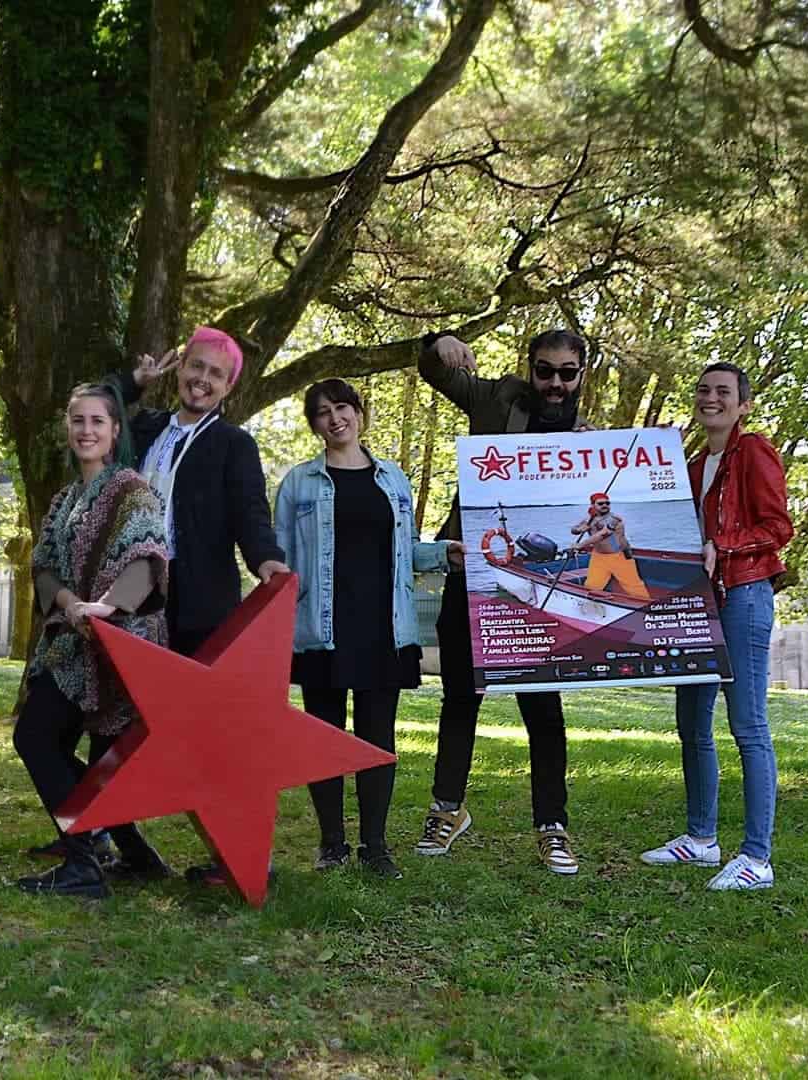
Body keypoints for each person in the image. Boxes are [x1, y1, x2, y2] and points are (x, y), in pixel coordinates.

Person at [105, 327, 289, 886]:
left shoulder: (233, 445)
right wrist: (129, 383)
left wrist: (268, 563)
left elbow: (250, 516)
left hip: (201, 602)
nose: (202, 379)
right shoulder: (144, 428)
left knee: (205, 733)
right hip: (134, 591)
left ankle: (232, 851)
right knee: (116, 717)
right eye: (196, 367)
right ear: (179, 368)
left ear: (227, 388)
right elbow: (90, 414)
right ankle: (121, 845)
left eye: (216, 374)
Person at [415, 328, 589, 875]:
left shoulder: (593, 439)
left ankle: (552, 826)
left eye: (566, 372)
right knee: (461, 699)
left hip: (541, 590)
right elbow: (436, 371)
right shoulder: (497, 399)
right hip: (475, 573)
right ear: (530, 368)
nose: (554, 383)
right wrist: (438, 341)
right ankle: (447, 809)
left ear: (581, 374)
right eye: (545, 370)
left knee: (543, 709)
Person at [276, 380, 460, 879]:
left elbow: (409, 551)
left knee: (377, 738)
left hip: (384, 629)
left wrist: (445, 553)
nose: (334, 419)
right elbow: (281, 562)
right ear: (313, 424)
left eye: (342, 408)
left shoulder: (394, 480)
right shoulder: (298, 484)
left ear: (359, 413)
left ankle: (375, 846)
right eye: (321, 413)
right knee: (323, 738)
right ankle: (332, 843)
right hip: (322, 628)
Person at [11, 383, 170, 899]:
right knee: (42, 738)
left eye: (97, 421)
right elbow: (44, 568)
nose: (86, 431)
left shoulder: (132, 490)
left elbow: (149, 557)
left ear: (115, 431)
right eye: (77, 420)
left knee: (49, 744)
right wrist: (67, 605)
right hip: (71, 643)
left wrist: (109, 606)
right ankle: (127, 853)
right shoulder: (63, 501)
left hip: (121, 643)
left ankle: (85, 862)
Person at [641, 362, 792, 890]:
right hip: (696, 605)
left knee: (748, 726)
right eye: (704, 390)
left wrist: (721, 547)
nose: (712, 398)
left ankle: (757, 858)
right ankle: (701, 840)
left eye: (723, 392)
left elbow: (778, 527)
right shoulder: (694, 462)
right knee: (692, 720)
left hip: (744, 595)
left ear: (743, 404)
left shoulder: (753, 452)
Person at [570, 493, 651, 599]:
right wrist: (579, 529)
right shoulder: (589, 519)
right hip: (598, 557)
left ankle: (647, 607)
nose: (605, 505)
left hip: (619, 556)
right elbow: (573, 530)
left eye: (607, 503)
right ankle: (591, 608)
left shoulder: (615, 519)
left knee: (634, 587)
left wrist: (580, 545)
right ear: (593, 505)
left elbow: (603, 534)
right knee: (592, 586)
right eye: (600, 503)